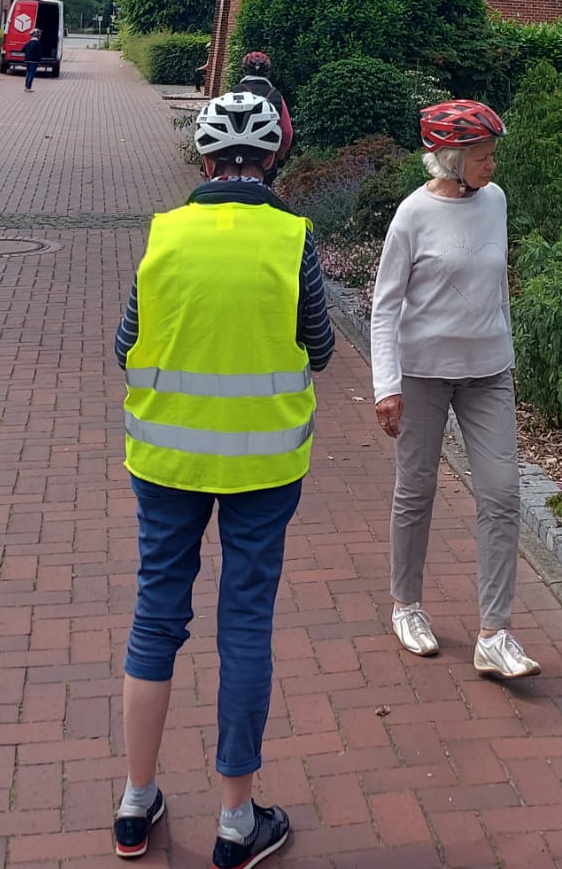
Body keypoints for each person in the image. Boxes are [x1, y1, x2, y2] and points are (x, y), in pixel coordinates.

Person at [112, 88, 334, 865]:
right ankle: (237, 821)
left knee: (155, 617)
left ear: (205, 161)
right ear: (272, 160)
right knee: (244, 624)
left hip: (165, 459)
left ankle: (136, 802)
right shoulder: (293, 238)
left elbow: (126, 343)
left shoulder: (165, 233)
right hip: (263, 466)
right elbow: (320, 347)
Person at [369, 98, 540, 681]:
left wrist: (506, 351)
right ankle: (406, 605)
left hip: (488, 372)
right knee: (416, 490)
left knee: (502, 494)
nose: (492, 165)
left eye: (491, 154)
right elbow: (385, 306)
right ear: (450, 158)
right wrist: (387, 386)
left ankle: (495, 635)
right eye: (483, 156)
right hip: (422, 373)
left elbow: (498, 288)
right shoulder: (413, 215)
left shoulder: (496, 201)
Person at [235, 50, 293, 163]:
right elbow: (287, 132)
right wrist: (279, 156)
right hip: (265, 156)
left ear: (244, 70)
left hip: (235, 152)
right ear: (267, 71)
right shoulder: (276, 96)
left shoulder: (235, 92)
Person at [22, 25, 43, 91]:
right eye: (39, 34)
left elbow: (22, 50)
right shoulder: (38, 43)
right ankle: (29, 87)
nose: (40, 36)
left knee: (28, 73)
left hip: (27, 60)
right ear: (37, 35)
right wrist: (39, 61)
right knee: (32, 74)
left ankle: (26, 87)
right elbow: (39, 53)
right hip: (34, 61)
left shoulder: (28, 43)